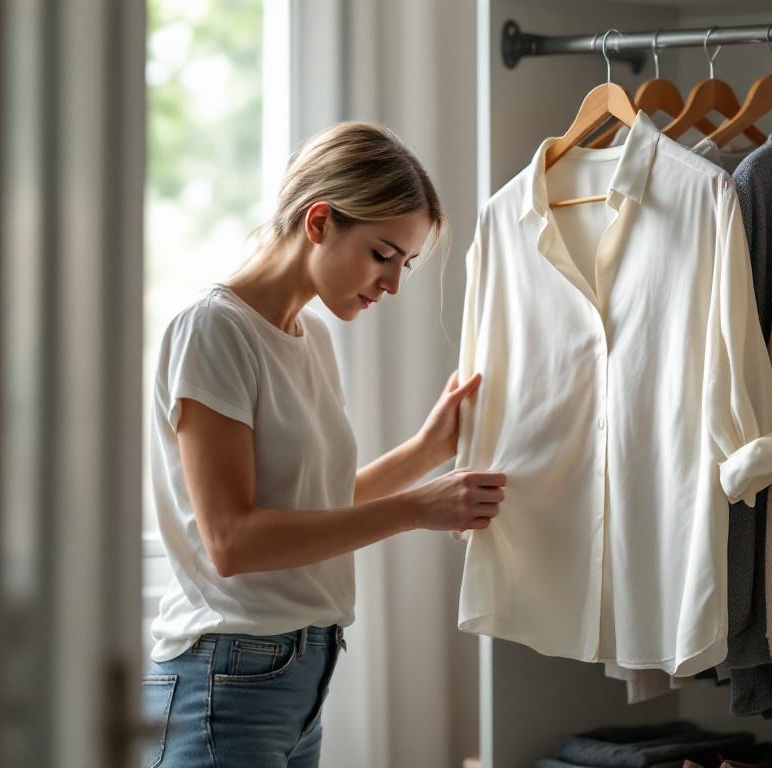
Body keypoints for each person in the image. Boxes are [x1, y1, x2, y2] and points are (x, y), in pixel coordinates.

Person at [141, 122, 506, 767]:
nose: (392, 283)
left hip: (294, 675)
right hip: (225, 677)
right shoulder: (214, 331)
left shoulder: (310, 336)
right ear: (318, 222)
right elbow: (232, 542)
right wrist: (416, 510)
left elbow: (315, 503)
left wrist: (427, 448)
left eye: (405, 264)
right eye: (382, 254)